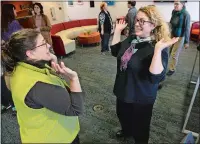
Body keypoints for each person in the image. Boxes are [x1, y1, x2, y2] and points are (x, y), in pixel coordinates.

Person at [1, 29, 84, 143]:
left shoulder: (16, 67)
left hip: (33, 132)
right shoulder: (38, 86)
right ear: (30, 53)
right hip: (55, 137)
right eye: (43, 43)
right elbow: (75, 109)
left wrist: (52, 61)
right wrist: (74, 79)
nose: (49, 45)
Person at [110, 5, 178, 143]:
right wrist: (117, 31)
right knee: (123, 115)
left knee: (140, 128)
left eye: (141, 21)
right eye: (136, 20)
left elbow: (155, 78)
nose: (136, 24)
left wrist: (158, 50)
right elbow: (115, 52)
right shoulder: (132, 39)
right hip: (123, 89)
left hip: (141, 97)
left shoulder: (158, 46)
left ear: (153, 24)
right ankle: (126, 131)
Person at [1, 4, 22, 115]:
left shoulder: (2, 25)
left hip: (6, 56)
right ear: (11, 11)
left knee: (10, 81)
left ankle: (14, 106)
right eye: (15, 10)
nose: (16, 12)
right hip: (16, 54)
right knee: (20, 78)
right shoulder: (14, 23)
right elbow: (20, 38)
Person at [167, 0, 191, 76]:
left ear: (182, 4)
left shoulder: (186, 14)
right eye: (174, 4)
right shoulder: (174, 11)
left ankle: (172, 69)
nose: (175, 5)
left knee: (174, 54)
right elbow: (171, 23)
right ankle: (164, 65)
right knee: (168, 51)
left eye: (177, 4)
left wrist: (186, 42)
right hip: (172, 34)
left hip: (180, 36)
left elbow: (187, 28)